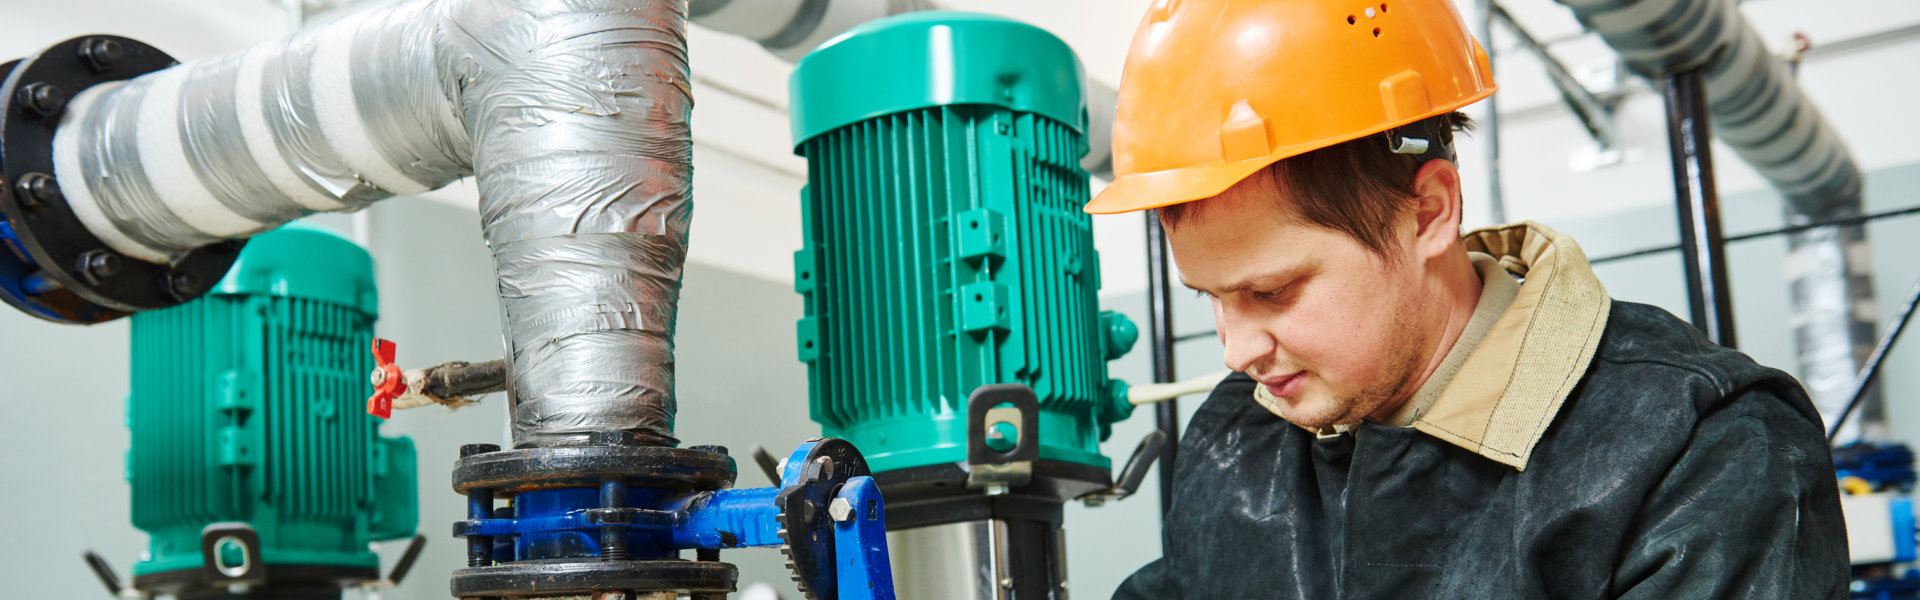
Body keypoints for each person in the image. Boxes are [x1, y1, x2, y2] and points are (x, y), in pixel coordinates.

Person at [1085, 0, 1849, 597]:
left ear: (1428, 213)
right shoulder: (1238, 437)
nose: (1237, 350)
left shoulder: (1699, 454)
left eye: (1271, 291)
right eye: (1210, 298)